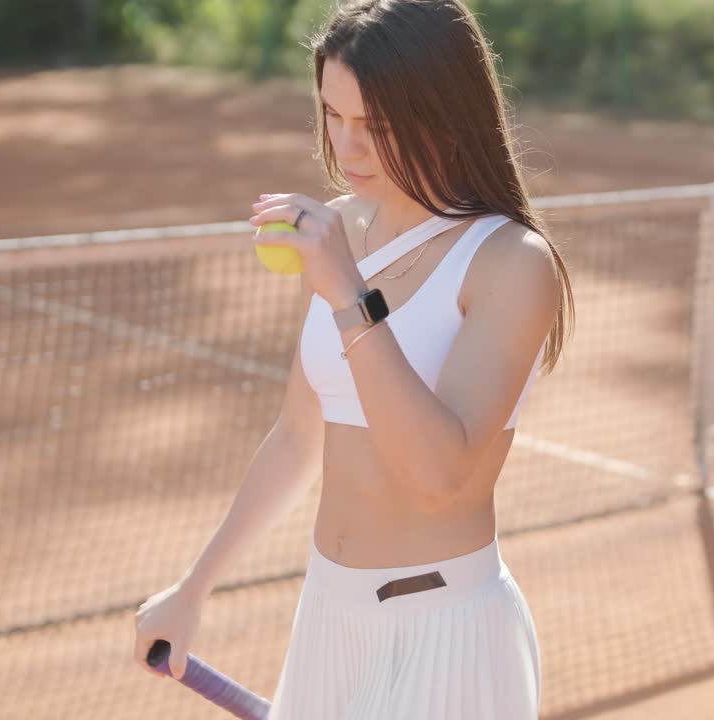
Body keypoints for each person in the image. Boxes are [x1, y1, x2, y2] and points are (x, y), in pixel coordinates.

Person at [134, 1, 575, 716]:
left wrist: (347, 292)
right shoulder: (340, 228)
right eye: (333, 115)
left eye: (379, 126)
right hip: (328, 617)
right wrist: (193, 589)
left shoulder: (510, 261)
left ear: (446, 114)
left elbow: (438, 477)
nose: (347, 147)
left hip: (445, 634)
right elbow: (297, 434)